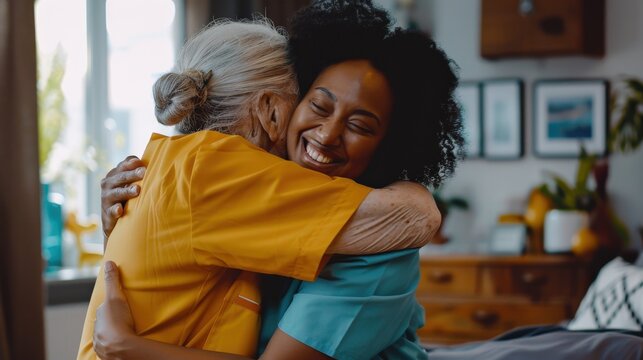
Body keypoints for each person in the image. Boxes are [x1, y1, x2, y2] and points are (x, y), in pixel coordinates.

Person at [90, 1, 464, 359]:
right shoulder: (230, 184)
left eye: (359, 125)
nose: (327, 134)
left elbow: (416, 219)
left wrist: (129, 348)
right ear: (271, 110)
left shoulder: (379, 251)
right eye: (315, 104)